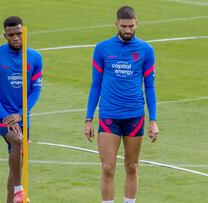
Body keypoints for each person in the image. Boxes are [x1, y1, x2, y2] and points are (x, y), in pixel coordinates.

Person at [84, 6, 159, 203]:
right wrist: (88, 118)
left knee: (132, 167)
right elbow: (95, 85)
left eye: (131, 26)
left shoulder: (146, 50)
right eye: (124, 26)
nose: (128, 30)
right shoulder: (102, 49)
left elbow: (150, 87)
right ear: (116, 24)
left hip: (135, 116)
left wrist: (153, 120)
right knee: (108, 167)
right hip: (109, 116)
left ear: (137, 24)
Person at [0, 16, 43, 203]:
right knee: (16, 140)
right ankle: (19, 190)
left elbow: (35, 90)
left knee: (15, 163)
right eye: (11, 35)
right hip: (0, 113)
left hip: (21, 114)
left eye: (19, 34)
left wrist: (21, 114)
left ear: (24, 32)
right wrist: (6, 116)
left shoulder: (34, 57)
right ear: (5, 35)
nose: (16, 38)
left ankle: (12, 197)